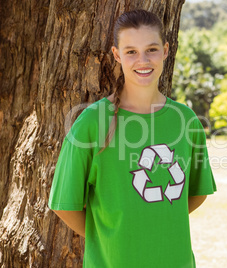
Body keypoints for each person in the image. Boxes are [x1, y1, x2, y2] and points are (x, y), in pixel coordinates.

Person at [48, 9, 216, 268]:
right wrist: (109, 233)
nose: (143, 60)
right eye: (131, 52)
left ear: (166, 50)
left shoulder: (186, 121)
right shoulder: (92, 123)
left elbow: (195, 193)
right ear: (117, 55)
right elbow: (64, 204)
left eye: (151, 49)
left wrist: (156, 220)